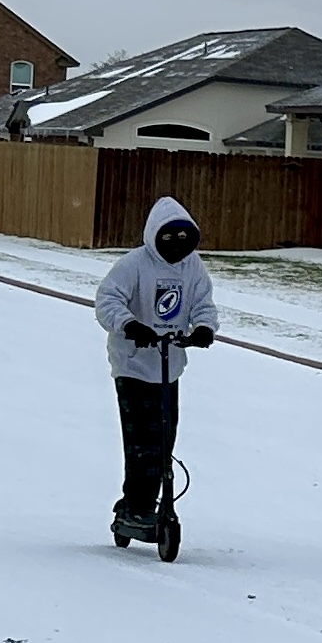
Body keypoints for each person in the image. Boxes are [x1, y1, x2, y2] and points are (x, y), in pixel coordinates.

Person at [94, 195, 218, 541]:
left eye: (183, 238)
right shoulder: (134, 264)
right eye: (169, 237)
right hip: (133, 363)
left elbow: (203, 303)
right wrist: (130, 325)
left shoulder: (192, 267)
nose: (177, 245)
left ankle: (145, 504)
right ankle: (136, 506)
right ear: (155, 235)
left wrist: (203, 329)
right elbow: (107, 300)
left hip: (169, 364)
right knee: (141, 441)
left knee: (164, 439)